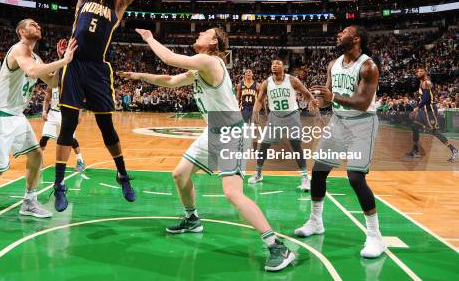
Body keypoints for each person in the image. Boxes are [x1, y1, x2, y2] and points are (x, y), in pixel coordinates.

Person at [118, 27, 295, 272]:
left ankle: (277, 246)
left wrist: (149, 38)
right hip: (212, 132)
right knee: (180, 174)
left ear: (213, 41)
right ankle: (192, 219)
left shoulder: (210, 62)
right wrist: (138, 76)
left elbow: (169, 59)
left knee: (233, 193)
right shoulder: (200, 68)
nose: (199, 33)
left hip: (231, 133)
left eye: (204, 32)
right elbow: (169, 81)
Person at [52, 0, 159, 211]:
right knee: (67, 126)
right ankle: (59, 185)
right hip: (73, 66)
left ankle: (122, 173)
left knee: (106, 128)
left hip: (98, 70)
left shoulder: (119, 5)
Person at [0, 20, 77, 223]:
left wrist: (63, 59)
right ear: (21, 31)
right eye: (32, 24)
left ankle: (29, 201)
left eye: (39, 24)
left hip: (16, 116)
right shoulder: (19, 49)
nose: (38, 25)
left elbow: (53, 82)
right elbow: (33, 72)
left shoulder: (35, 56)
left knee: (36, 156)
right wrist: (65, 61)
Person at [296, 25, 385, 259]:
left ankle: (375, 236)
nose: (339, 34)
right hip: (339, 121)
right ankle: (316, 221)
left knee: (355, 177)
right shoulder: (333, 64)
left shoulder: (368, 66)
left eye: (344, 31)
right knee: (319, 171)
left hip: (363, 123)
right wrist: (320, 101)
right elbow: (329, 99)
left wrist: (332, 97)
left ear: (356, 39)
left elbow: (364, 102)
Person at [247, 58, 318, 191]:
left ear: (284, 67)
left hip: (292, 116)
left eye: (277, 63)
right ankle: (258, 173)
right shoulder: (266, 82)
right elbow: (259, 99)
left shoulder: (292, 80)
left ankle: (304, 176)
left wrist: (312, 100)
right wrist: (254, 114)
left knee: (296, 145)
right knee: (264, 145)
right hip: (275, 117)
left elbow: (305, 92)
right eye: (272, 64)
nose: (274, 65)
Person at [40, 39, 86, 172]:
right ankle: (39, 160)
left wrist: (79, 113)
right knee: (44, 138)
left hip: (67, 113)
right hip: (53, 113)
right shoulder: (53, 82)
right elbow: (47, 97)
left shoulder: (70, 82)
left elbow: (79, 99)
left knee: (71, 139)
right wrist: (44, 111)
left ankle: (80, 161)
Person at [406, 67, 458, 162]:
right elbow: (423, 99)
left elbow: (427, 99)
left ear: (425, 73)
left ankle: (454, 150)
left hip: (429, 110)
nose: (418, 72)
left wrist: (416, 109)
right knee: (415, 126)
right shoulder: (422, 83)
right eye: (417, 71)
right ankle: (415, 150)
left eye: (421, 71)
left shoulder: (426, 83)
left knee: (434, 131)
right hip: (423, 110)